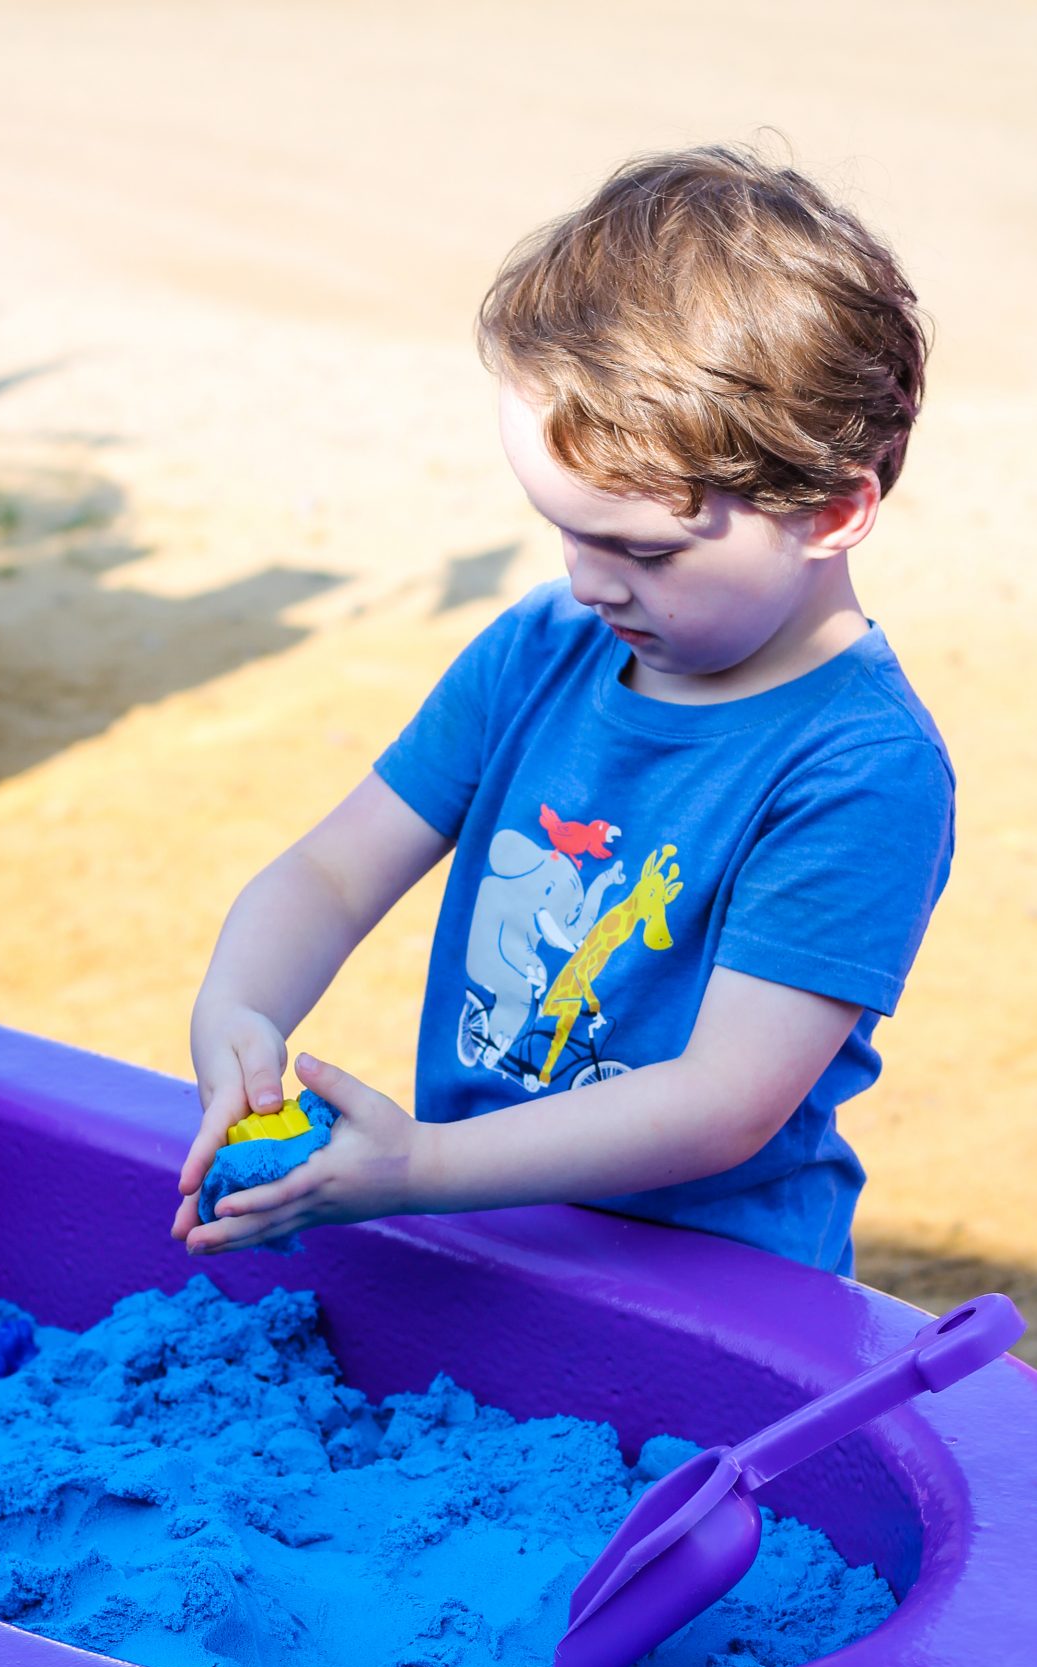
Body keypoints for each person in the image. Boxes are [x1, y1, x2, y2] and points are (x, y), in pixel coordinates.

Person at [172, 143, 954, 1277]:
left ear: (833, 513)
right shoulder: (545, 647)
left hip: (714, 1288)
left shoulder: (858, 767)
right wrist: (238, 1008)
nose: (590, 581)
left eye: (642, 547)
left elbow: (722, 1100)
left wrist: (424, 1168)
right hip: (487, 1242)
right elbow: (334, 872)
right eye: (565, 528)